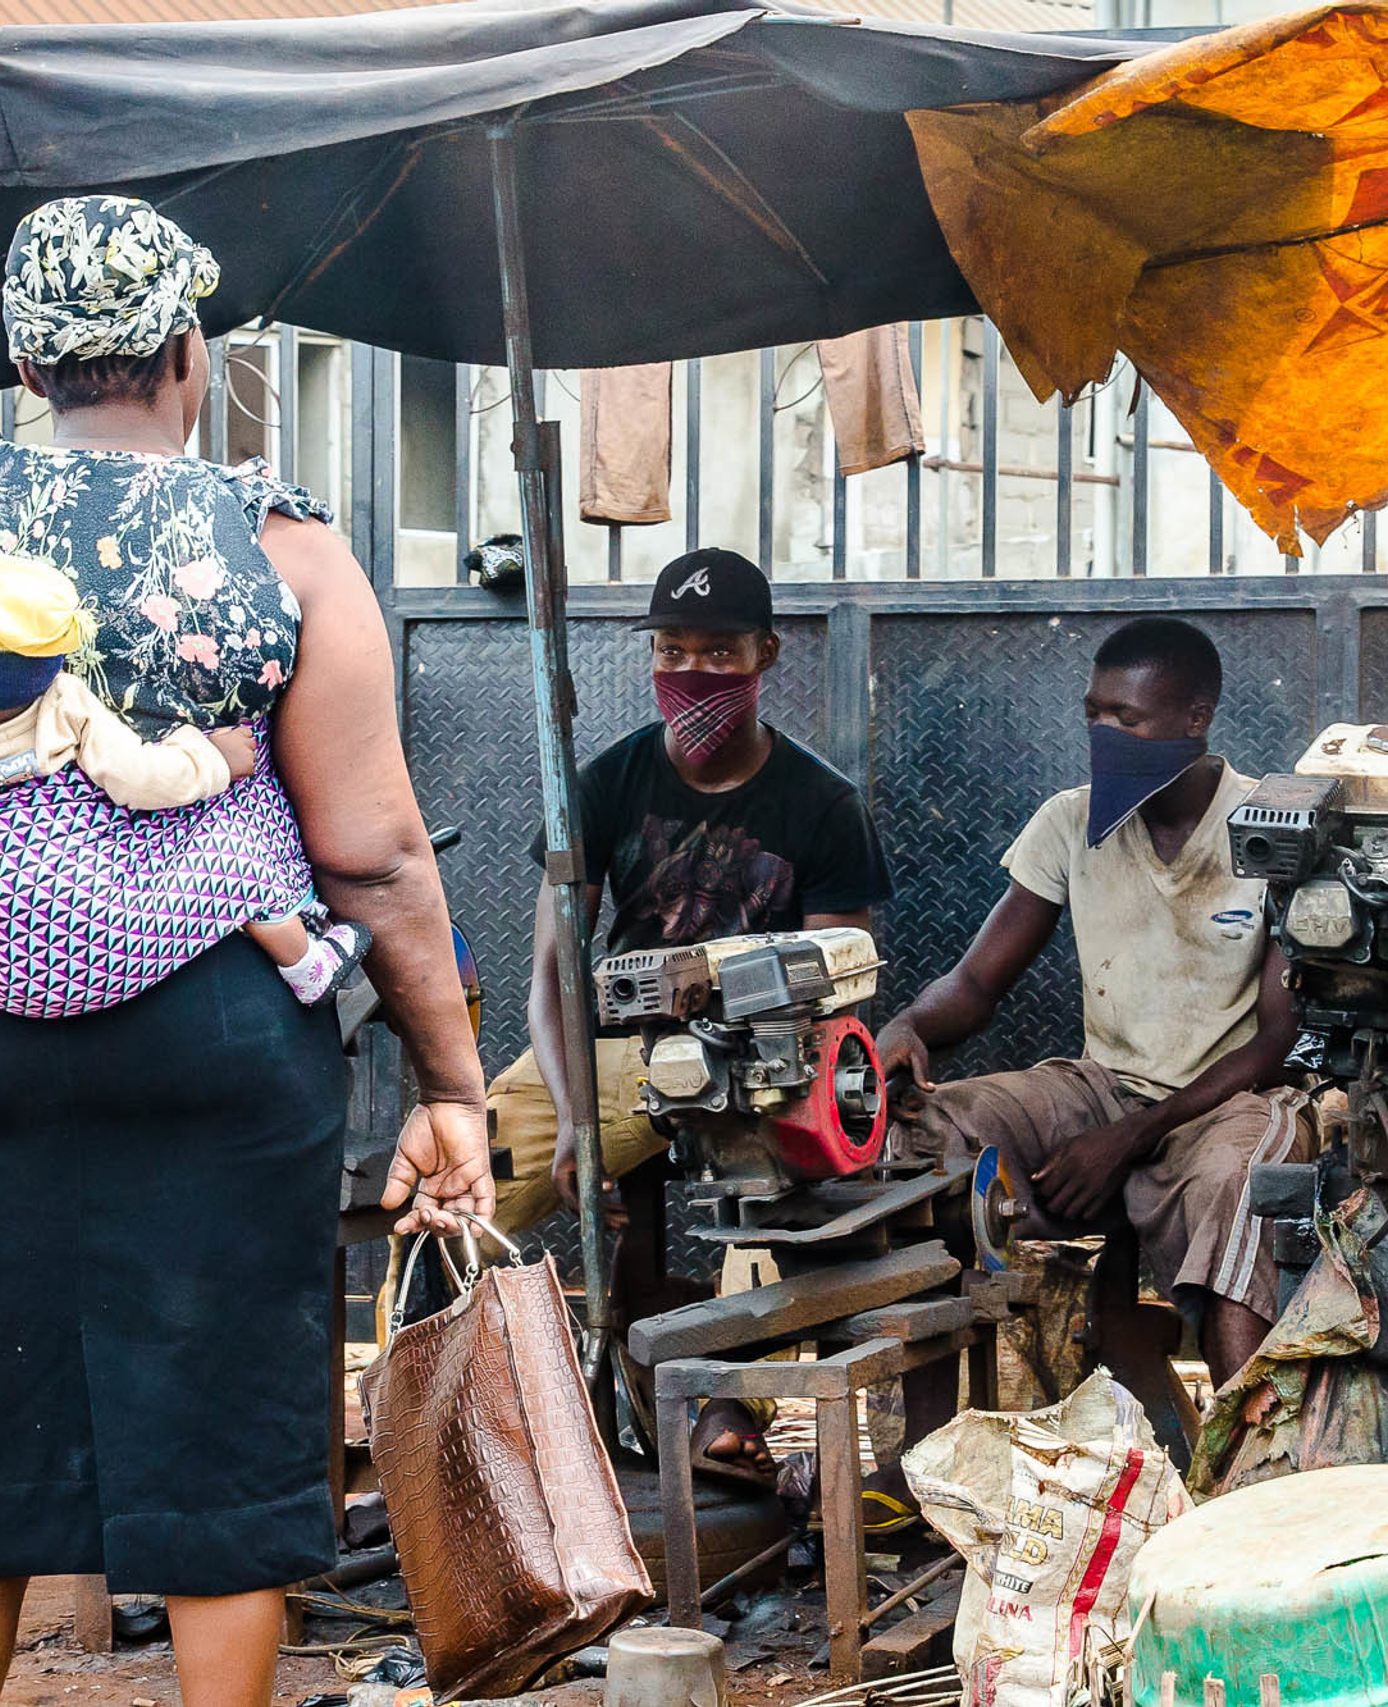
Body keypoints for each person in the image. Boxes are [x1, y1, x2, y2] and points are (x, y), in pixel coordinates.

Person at [0, 195, 491, 1707]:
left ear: (21, 359)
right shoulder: (280, 548)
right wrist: (454, 1081)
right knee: (227, 1414)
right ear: (188, 353)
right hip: (219, 1030)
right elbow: (373, 850)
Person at [488, 545, 892, 1469]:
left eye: (720, 654)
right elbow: (552, 974)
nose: (693, 674)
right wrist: (578, 1122)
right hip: (615, 1057)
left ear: (767, 656)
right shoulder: (601, 784)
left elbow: (844, 981)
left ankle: (720, 1398)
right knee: (462, 1179)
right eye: (673, 652)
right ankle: (478, 1401)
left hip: (759, 1062)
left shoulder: (823, 804)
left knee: (763, 1198)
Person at [874, 616, 1308, 1384]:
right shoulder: (1069, 821)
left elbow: (1273, 1041)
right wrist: (908, 1024)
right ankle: (919, 1461)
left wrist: (1134, 1137)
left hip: (1227, 1101)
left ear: (1194, 720)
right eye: (1093, 713)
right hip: (1102, 1087)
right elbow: (976, 985)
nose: (1103, 731)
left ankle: (1249, 1470)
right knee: (920, 1138)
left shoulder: (1269, 833)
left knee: (1236, 1186)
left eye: (1127, 717)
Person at [0, 552, 371, 1002]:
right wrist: (211, 757)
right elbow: (143, 781)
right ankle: (306, 967)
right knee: (238, 857)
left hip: (2, 974)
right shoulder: (66, 704)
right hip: (111, 940)